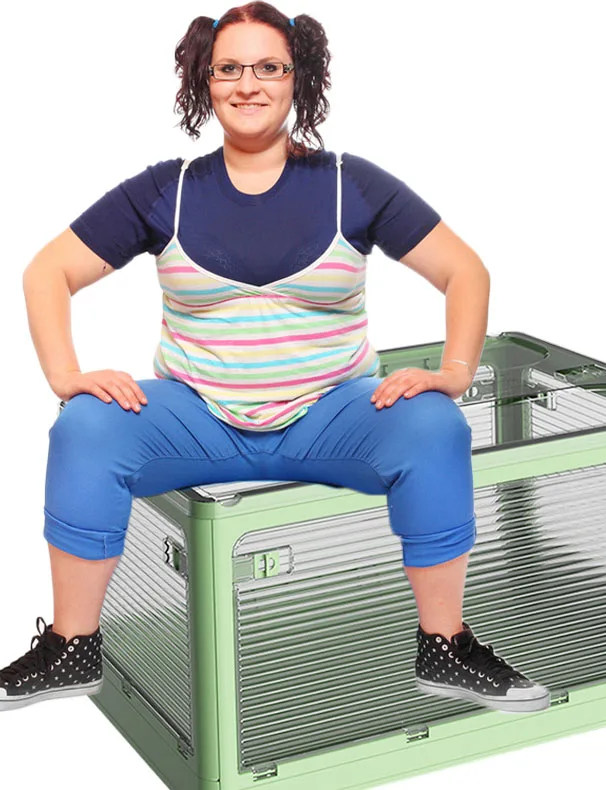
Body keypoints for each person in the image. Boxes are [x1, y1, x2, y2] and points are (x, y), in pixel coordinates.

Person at [0, 1, 550, 715]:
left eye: (269, 67)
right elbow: (47, 270)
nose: (248, 84)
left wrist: (453, 373)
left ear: (299, 77)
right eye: (228, 69)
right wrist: (65, 375)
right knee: (84, 425)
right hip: (198, 419)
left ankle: (444, 647)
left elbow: (464, 271)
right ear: (204, 80)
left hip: (331, 417)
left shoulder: (351, 183)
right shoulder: (167, 190)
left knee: (435, 425)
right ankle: (72, 648)